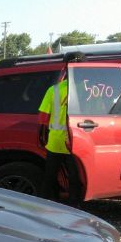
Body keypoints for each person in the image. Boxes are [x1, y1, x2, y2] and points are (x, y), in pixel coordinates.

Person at [38, 74, 82, 205]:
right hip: (78, 141)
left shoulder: (54, 90)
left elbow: (43, 117)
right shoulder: (88, 90)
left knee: (50, 175)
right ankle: (75, 205)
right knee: (75, 176)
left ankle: (47, 203)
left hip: (55, 141)